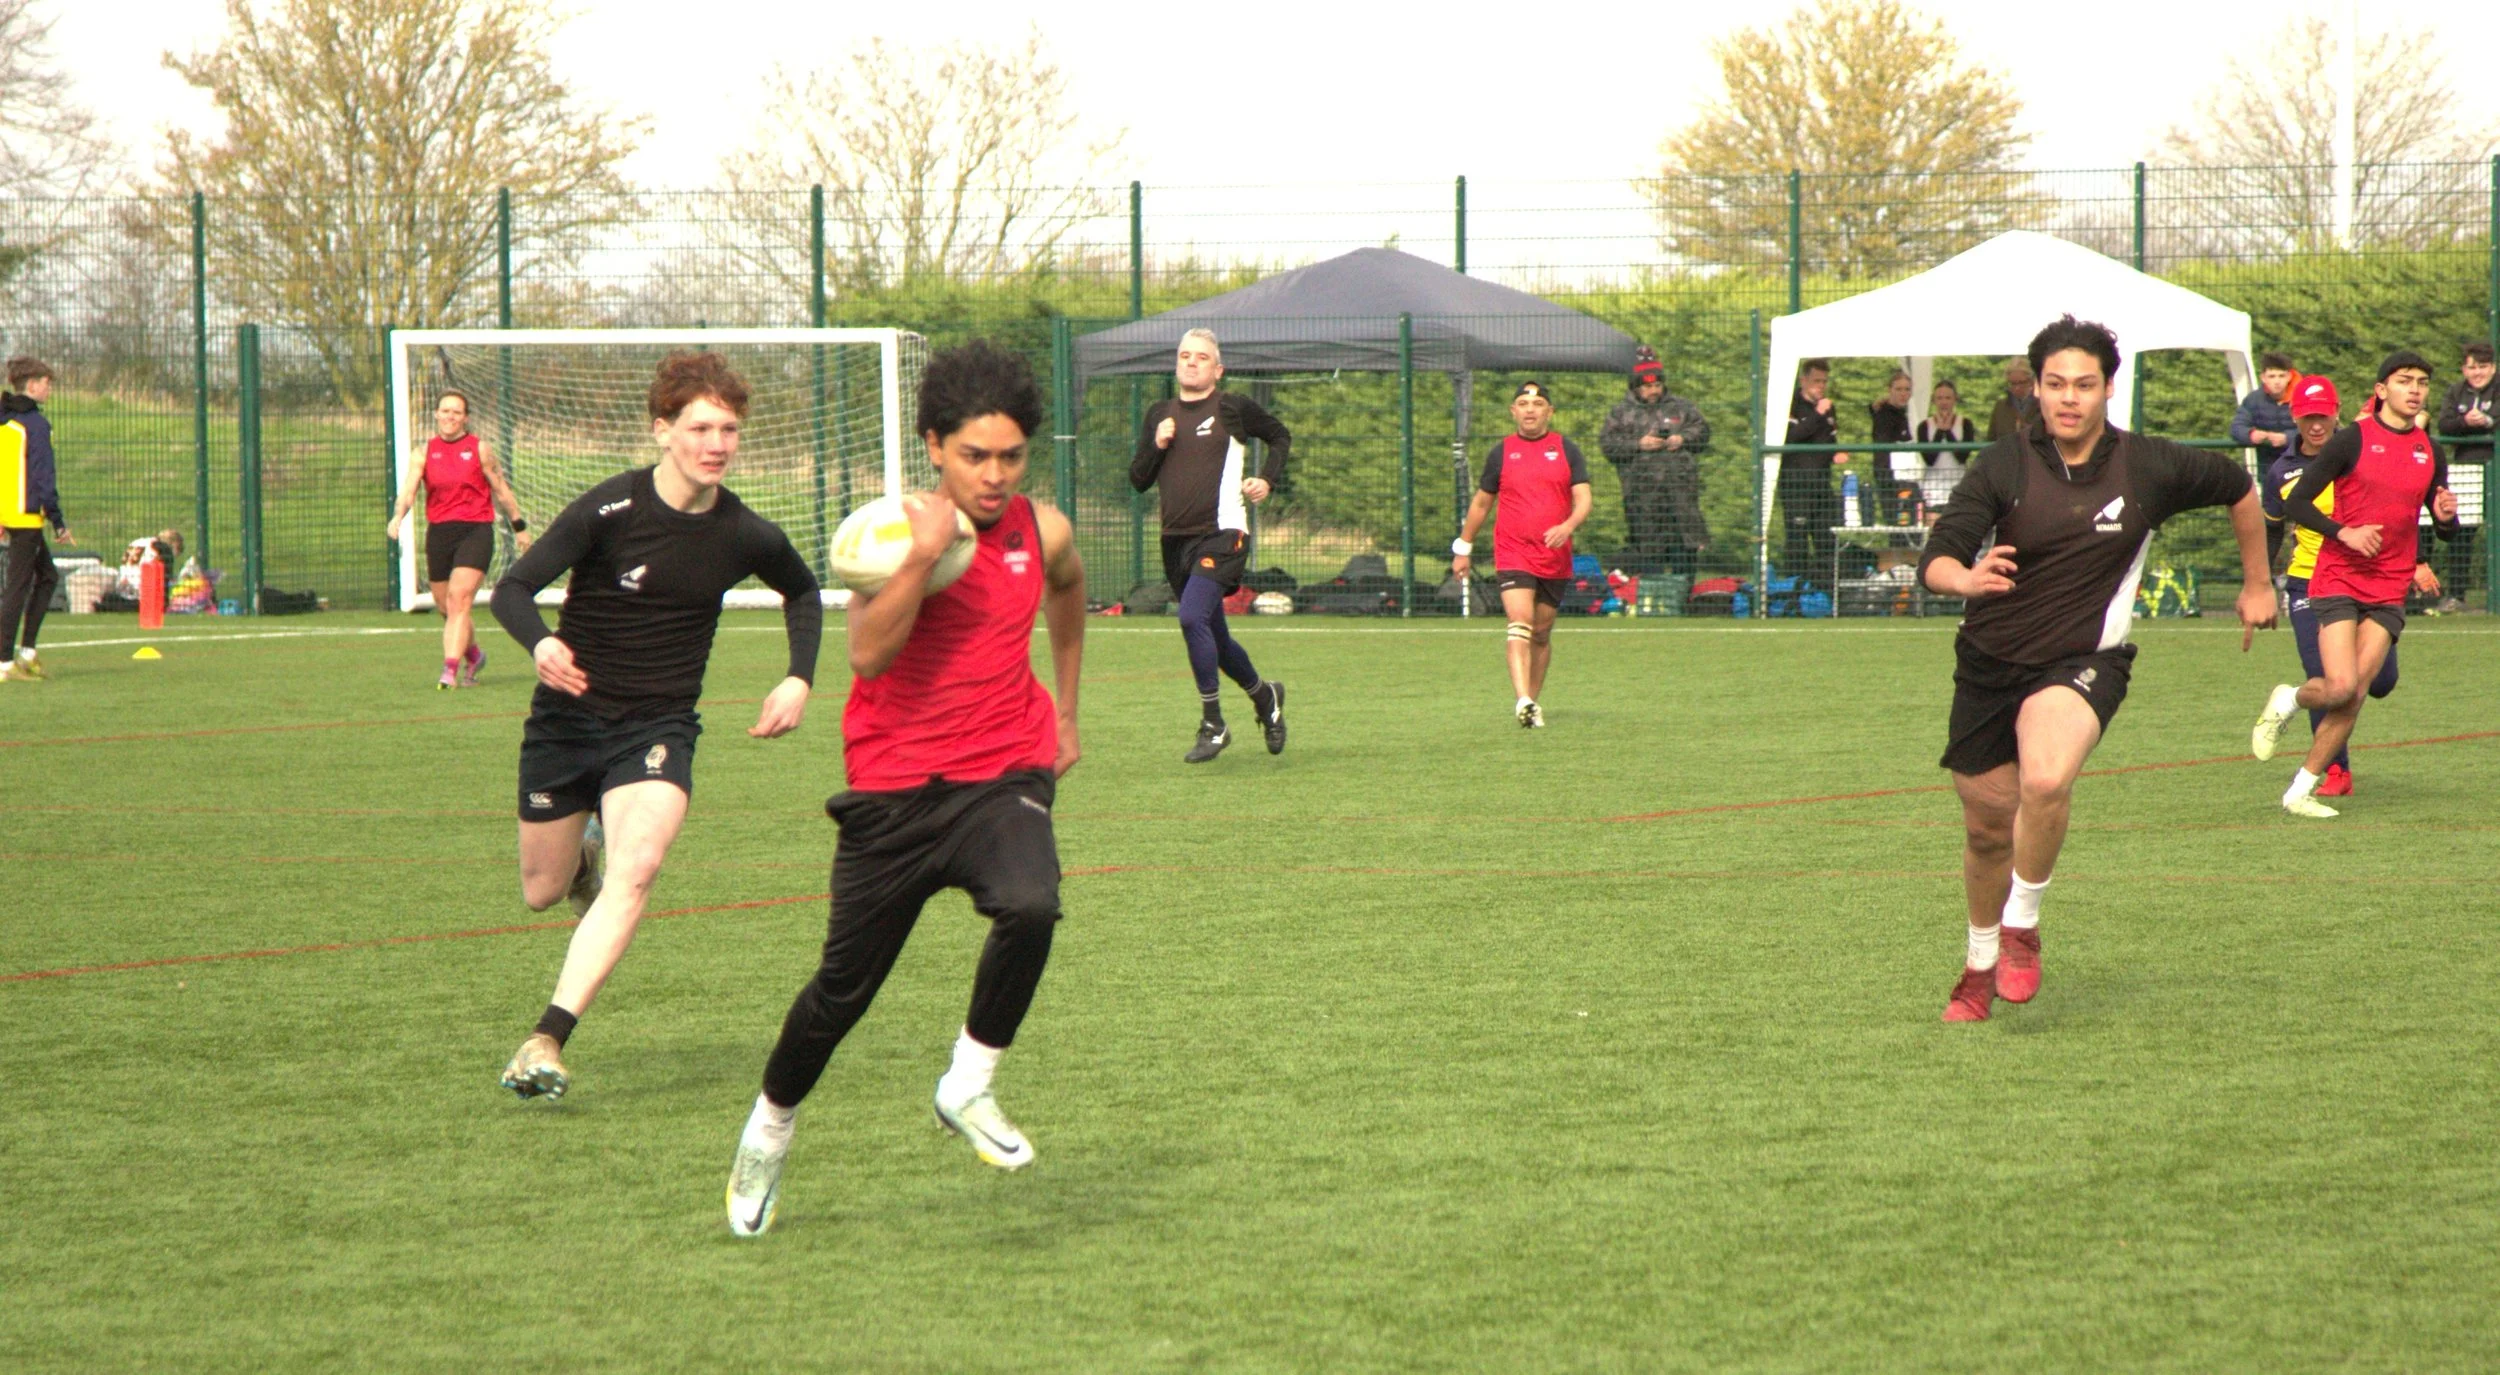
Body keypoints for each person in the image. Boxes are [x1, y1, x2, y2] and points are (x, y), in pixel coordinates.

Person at [726, 341, 1085, 1236]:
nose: (994, 475)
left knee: (1032, 903)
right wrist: (925, 557)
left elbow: (1068, 592)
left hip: (1004, 769)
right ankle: (769, 1130)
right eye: (974, 456)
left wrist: (1067, 712)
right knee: (840, 993)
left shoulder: (1044, 529)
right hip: (891, 793)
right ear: (934, 444)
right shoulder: (893, 535)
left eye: (1010, 456)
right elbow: (867, 654)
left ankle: (969, 1081)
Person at [488, 352, 822, 1100]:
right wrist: (541, 642)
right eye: (700, 426)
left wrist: (799, 674)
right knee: (544, 890)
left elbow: (802, 589)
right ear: (663, 430)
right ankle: (582, 857)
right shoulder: (610, 511)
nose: (717, 442)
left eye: (729, 428)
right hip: (565, 724)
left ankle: (546, 1037)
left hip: (658, 726)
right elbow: (512, 589)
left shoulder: (745, 532)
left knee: (637, 869)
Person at [1920, 316, 2274, 1022]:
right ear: (2038, 389)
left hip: (2085, 661)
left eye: (2084, 384)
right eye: (2055, 384)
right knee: (1989, 829)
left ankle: (2023, 924)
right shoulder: (2005, 464)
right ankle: (1979, 963)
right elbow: (1942, 551)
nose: (2069, 398)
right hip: (1989, 664)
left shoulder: (2148, 465)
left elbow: (2239, 486)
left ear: (2109, 388)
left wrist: (2258, 583)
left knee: (2047, 776)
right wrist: (1964, 579)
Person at [2252, 352, 2457, 818]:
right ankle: (2290, 698)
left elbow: (2443, 528)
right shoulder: (2350, 441)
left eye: (2423, 382)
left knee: (2360, 691)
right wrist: (2343, 532)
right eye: (2405, 381)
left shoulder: (2431, 450)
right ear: (2381, 390)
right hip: (2338, 576)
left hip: (2388, 586)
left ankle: (2299, 791)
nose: (2416, 390)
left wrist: (2447, 519)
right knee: (2340, 686)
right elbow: (2299, 504)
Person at [1130, 328, 1289, 764]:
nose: (1191, 362)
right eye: (1184, 355)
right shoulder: (1160, 413)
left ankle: (1213, 724)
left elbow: (1279, 435)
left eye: (1201, 357)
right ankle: (1265, 696)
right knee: (1212, 636)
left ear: (1217, 369)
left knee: (1189, 617)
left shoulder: (1232, 408)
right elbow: (1138, 478)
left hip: (1223, 534)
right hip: (1174, 542)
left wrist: (1267, 479)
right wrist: (1156, 444)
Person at [2259, 375, 2404, 799]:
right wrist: (2264, 582)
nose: (2316, 426)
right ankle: (2334, 771)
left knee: (2377, 683)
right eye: (2307, 418)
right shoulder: (2281, 471)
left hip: (2368, 580)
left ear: (2336, 413)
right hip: (2309, 584)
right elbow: (2271, 530)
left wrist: (2414, 561)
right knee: (2326, 678)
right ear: (2295, 417)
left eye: (2323, 416)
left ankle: (2289, 699)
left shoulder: (2360, 452)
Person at [1452, 381, 1592, 729]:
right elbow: (1482, 502)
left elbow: (1584, 498)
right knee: (1520, 622)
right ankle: (1522, 699)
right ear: (1513, 411)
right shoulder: (1501, 452)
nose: (1530, 409)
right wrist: (1463, 548)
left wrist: (1568, 526)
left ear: (1550, 412)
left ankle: (1532, 704)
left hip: (1554, 557)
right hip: (1513, 552)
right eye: (1523, 403)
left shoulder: (1566, 449)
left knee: (1542, 632)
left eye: (1538, 403)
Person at [387, 390, 532, 688]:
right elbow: (409, 491)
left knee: (458, 599)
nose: (450, 417)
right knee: (445, 607)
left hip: (475, 531)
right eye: (445, 411)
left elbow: (501, 490)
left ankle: (449, 671)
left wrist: (520, 527)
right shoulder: (423, 452)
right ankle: (475, 654)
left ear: (465, 418)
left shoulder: (480, 449)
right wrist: (397, 517)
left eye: (456, 412)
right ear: (437, 414)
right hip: (440, 533)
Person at [1596, 346, 1710, 578]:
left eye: (1657, 385)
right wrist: (1639, 444)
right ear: (1636, 387)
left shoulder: (1682, 407)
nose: (1654, 390)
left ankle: (1683, 599)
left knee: (1684, 548)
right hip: (1642, 497)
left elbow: (1703, 431)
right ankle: (1652, 599)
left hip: (1681, 495)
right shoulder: (1620, 413)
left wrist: (1682, 438)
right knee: (1648, 551)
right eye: (1648, 386)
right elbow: (1608, 445)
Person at [0, 357, 73, 683]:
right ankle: (4, 663)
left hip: (8, 513)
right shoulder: (37, 425)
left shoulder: (6, 419)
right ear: (31, 385)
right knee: (17, 588)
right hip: (28, 517)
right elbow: (44, 478)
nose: (50, 388)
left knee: (47, 576)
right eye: (47, 382)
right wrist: (57, 521)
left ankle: (27, 653)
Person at [2429, 342, 2495, 611]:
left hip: (2496, 466)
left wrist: (2489, 421)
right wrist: (2466, 422)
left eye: (2482, 367)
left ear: (2493, 367)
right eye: (2471, 367)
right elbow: (2444, 424)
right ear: (2463, 368)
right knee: (2462, 532)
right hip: (2469, 468)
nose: (2477, 372)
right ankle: (2456, 595)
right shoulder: (2456, 391)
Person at [1780, 360, 1842, 586]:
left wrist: (1836, 452)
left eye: (1824, 381)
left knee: (1826, 537)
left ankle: (1824, 591)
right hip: (1796, 484)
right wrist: (1817, 414)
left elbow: (1831, 438)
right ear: (1803, 380)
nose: (1821, 386)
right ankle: (1794, 589)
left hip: (1822, 483)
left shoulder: (1829, 407)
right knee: (1797, 539)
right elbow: (1792, 437)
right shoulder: (1791, 404)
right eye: (1817, 381)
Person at [1911, 380, 1979, 517]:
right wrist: (1939, 432)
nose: (1944, 402)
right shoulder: (1924, 426)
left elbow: (1962, 457)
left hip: (1958, 484)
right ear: (1934, 401)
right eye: (1939, 398)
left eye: (1948, 398)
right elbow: (1929, 459)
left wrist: (1948, 433)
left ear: (1955, 400)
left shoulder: (1965, 423)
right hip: (1933, 487)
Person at [2231, 351, 2299, 471]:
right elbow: (2237, 427)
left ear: (2289, 377)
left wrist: (2287, 438)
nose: (2277, 381)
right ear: (2263, 378)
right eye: (2272, 376)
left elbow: (2316, 428)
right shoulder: (2253, 400)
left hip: (2300, 464)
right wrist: (2251, 434)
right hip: (2267, 469)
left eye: (2281, 376)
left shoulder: (2302, 398)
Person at [1870, 371, 1916, 525]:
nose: (1903, 394)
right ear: (1890, 389)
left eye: (1907, 389)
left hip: (1908, 476)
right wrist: (1886, 478)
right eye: (1899, 389)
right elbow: (1883, 449)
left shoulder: (1909, 414)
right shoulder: (1884, 415)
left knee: (1911, 522)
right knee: (1896, 523)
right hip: (1890, 477)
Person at [1985, 358, 2036, 441]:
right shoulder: (2000, 407)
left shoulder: (2042, 405)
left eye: (2021, 382)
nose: (2017, 388)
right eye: (2013, 383)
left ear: (2031, 381)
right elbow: (1991, 438)